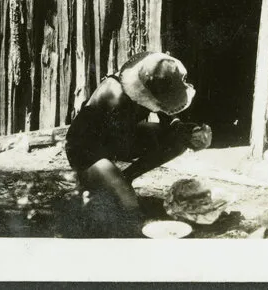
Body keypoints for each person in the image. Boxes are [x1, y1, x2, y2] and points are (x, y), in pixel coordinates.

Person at [65, 51, 212, 237]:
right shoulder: (116, 94)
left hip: (118, 138)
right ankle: (96, 182)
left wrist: (184, 130)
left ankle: (126, 178)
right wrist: (112, 180)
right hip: (87, 150)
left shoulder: (148, 85)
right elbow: (118, 142)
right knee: (128, 203)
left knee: (179, 139)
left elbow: (165, 112)